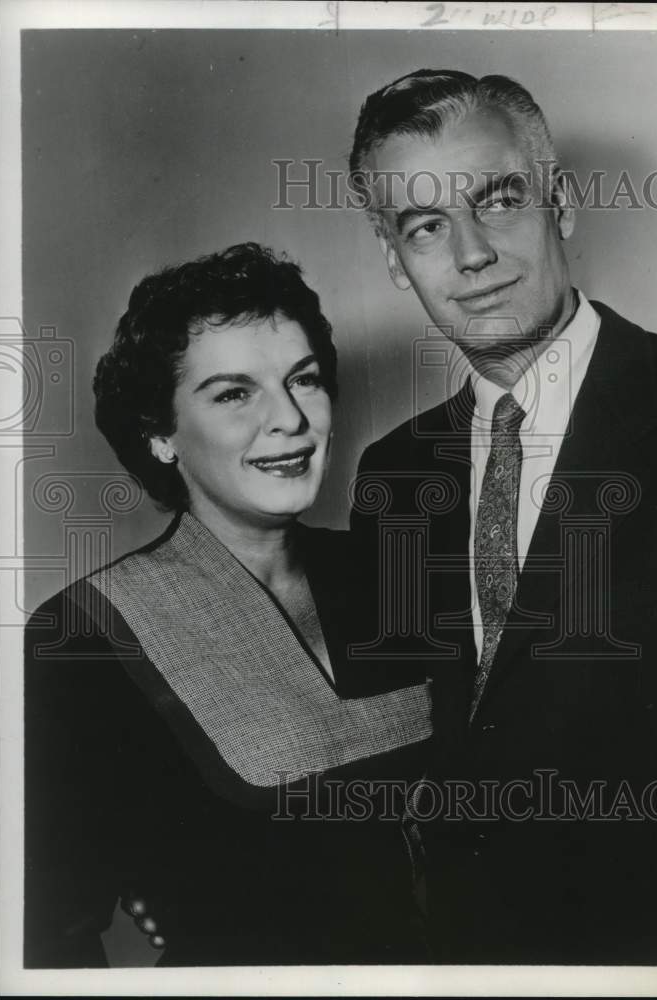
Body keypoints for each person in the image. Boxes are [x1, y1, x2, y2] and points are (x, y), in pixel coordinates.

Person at [348, 70, 657, 965]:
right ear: (394, 257)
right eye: (426, 226)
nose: (471, 254)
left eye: (497, 200)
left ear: (559, 201)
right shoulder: (394, 473)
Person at [24, 242, 433, 967]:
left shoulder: (400, 571)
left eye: (303, 380)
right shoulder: (87, 633)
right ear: (159, 434)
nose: (289, 420)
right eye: (233, 394)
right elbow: (52, 934)